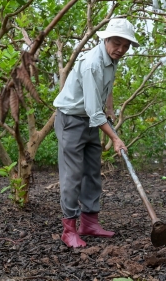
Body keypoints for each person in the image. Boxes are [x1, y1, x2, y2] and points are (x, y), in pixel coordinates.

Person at [53, 18, 139, 248]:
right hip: (71, 120)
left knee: (92, 171)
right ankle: (68, 229)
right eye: (117, 43)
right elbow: (92, 110)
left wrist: (109, 108)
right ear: (106, 39)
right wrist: (115, 138)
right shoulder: (92, 63)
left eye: (126, 46)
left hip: (91, 121)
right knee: (72, 175)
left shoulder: (111, 59)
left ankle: (89, 223)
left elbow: (105, 89)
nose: (121, 49)